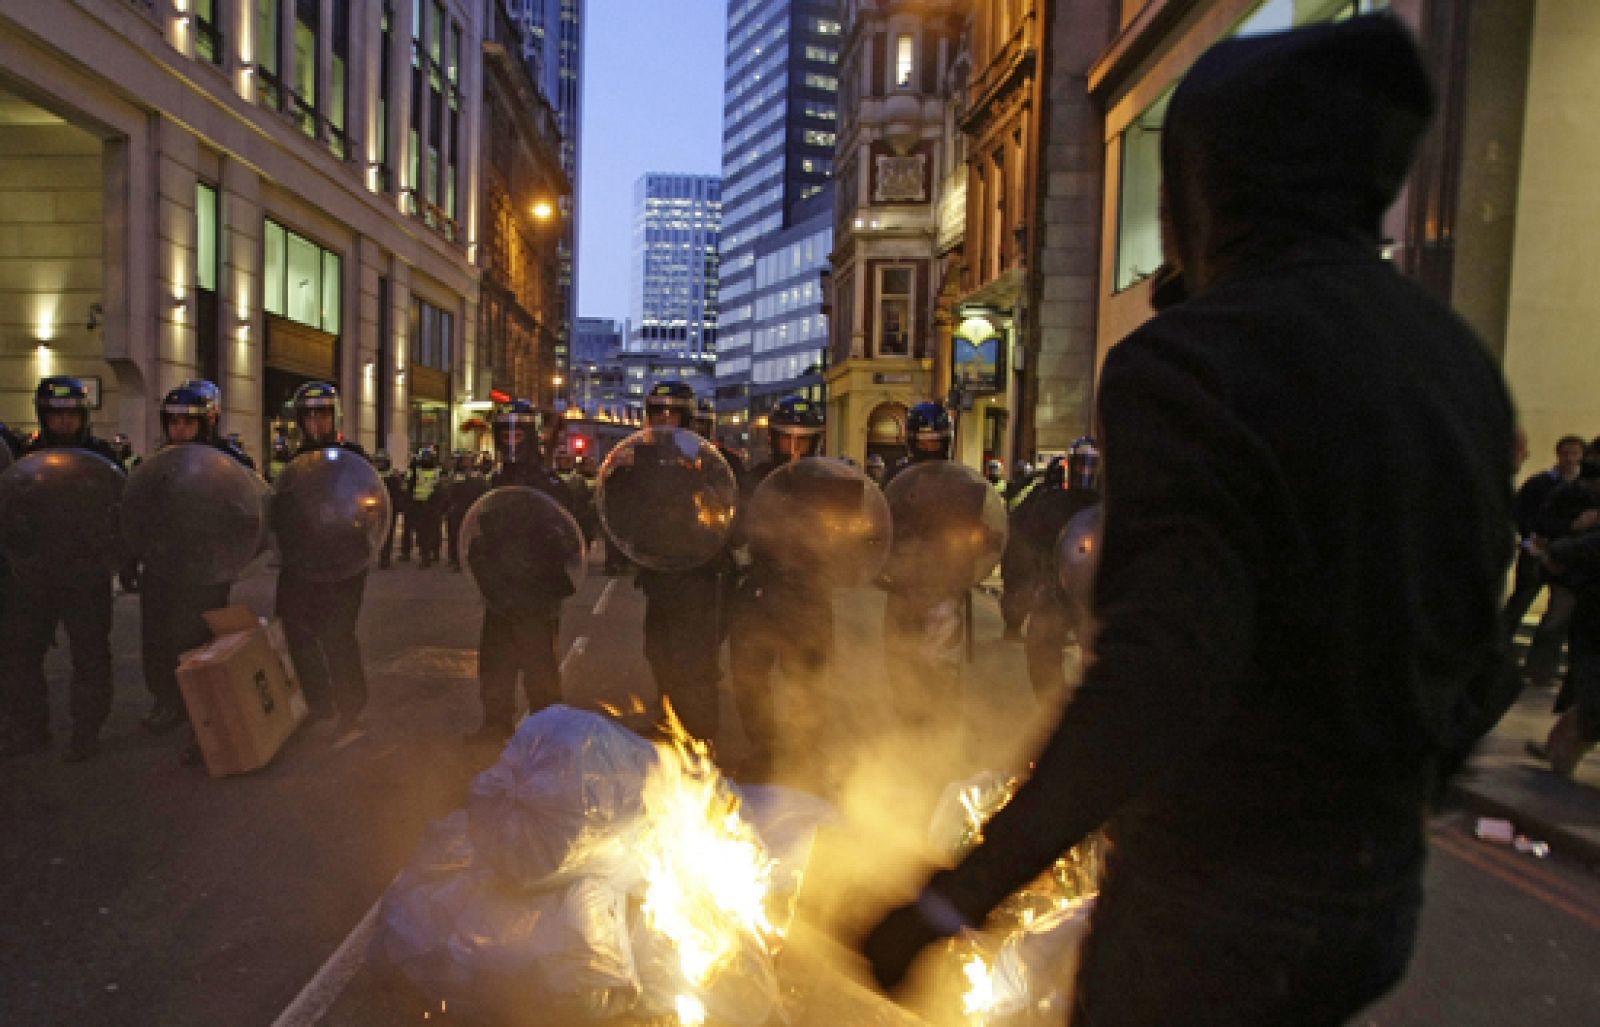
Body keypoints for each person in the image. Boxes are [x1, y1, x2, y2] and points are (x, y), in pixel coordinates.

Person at [860, 17, 1516, 1024]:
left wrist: (959, 892)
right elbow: (1481, 652)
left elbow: (1164, 667)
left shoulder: (1197, 361)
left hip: (1210, 912)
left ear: (1211, 185)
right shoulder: (1453, 359)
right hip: (1371, 902)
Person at [0, 377, 126, 762]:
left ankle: (86, 730)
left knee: (89, 653)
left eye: (71, 414)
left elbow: (123, 510)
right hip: (34, 573)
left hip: (85, 572)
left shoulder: (103, 459)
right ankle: (30, 725)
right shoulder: (27, 459)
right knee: (20, 653)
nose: (64, 422)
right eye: (56, 414)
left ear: (83, 416)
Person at [136, 382, 260, 737]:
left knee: (197, 640)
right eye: (173, 422)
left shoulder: (228, 462)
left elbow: (248, 512)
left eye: (188, 423)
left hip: (206, 567)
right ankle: (166, 701)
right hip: (163, 564)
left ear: (207, 422)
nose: (180, 430)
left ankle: (202, 712)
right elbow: (139, 510)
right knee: (156, 638)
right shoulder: (158, 462)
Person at [728, 395, 827, 782]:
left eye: (803, 441)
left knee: (807, 681)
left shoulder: (829, 482)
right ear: (774, 439)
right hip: (760, 591)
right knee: (750, 678)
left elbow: (850, 535)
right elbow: (733, 530)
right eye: (788, 439)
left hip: (809, 595)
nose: (795, 449)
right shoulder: (755, 480)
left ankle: (804, 755)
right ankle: (763, 749)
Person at [467, 399, 576, 744]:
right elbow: (478, 534)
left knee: (539, 667)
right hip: (499, 590)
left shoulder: (548, 483)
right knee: (495, 664)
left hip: (535, 591)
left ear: (529, 436)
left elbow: (569, 537)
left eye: (518, 433)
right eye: (505, 433)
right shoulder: (494, 482)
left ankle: (547, 732)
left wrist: (539, 562)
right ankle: (495, 725)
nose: (511, 440)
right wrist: (484, 569)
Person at [273, 381, 372, 745]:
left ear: (335, 417)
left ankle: (351, 708)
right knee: (294, 630)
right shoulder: (292, 463)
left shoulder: (351, 457)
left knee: (337, 634)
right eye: (309, 415)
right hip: (300, 560)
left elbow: (369, 501)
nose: (316, 422)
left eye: (323, 414)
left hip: (342, 560)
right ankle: (318, 702)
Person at [632, 381, 731, 743]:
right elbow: (627, 514)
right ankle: (669, 720)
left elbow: (729, 512)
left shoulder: (715, 463)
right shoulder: (642, 462)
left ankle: (701, 738)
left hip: (700, 577)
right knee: (659, 652)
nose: (664, 419)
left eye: (671, 412)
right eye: (657, 412)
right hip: (660, 576)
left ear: (687, 417)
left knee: (696, 662)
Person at [1007, 440, 1102, 699]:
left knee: (1100, 654)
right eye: (1081, 464)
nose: (1086, 471)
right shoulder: (1051, 501)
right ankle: (1052, 704)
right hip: (1056, 586)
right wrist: (1032, 580)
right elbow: (1028, 537)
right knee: (1040, 644)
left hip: (1096, 591)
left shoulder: (1109, 506)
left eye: (1092, 464)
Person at [1501, 435, 1586, 688]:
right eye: (1566, 453)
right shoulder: (1539, 483)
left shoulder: (1583, 487)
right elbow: (1519, 513)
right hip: (1537, 552)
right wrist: (1530, 540)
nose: (1570, 458)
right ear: (1558, 454)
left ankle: (1539, 669)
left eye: (1575, 453)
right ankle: (1496, 656)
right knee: (1520, 602)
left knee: (1556, 616)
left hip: (1567, 557)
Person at [444, 451, 488, 572]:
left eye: (469, 460)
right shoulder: (455, 476)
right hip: (457, 510)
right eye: (465, 460)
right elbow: (449, 492)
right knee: (455, 536)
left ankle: (470, 560)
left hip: (472, 509)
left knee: (472, 536)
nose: (467, 462)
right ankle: (455, 560)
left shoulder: (478, 475)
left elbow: (484, 491)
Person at [406, 446, 446, 569]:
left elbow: (443, 488)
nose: (426, 459)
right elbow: (410, 487)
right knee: (422, 532)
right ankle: (425, 556)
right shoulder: (415, 471)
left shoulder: (439, 471)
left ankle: (434, 551)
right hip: (419, 505)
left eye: (428, 457)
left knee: (433, 531)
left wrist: (441, 505)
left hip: (434, 506)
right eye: (424, 457)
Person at [374, 451, 405, 569]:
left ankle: (385, 558)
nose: (379, 464)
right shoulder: (373, 475)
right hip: (375, 509)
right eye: (377, 462)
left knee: (387, 533)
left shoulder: (393, 476)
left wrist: (397, 506)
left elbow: (398, 493)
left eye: (381, 462)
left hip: (389, 508)